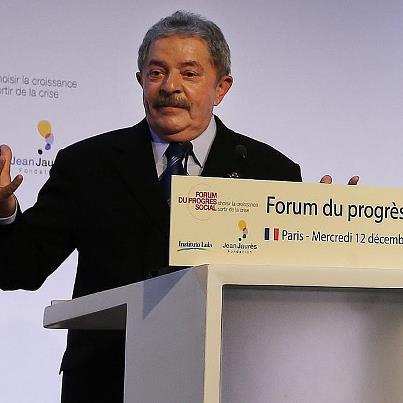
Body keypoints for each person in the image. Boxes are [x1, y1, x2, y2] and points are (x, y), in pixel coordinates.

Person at [0, 10, 346, 403]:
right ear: (141, 81)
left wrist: (328, 234)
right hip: (107, 382)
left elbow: (291, 298)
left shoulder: (270, 172)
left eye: (189, 73)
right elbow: (19, 268)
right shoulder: (86, 164)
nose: (170, 86)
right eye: (156, 72)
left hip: (228, 381)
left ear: (221, 87)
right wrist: (4, 211)